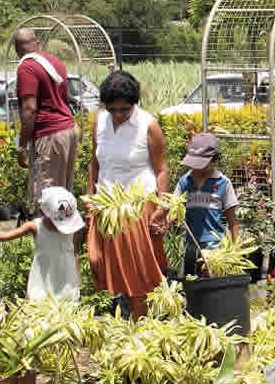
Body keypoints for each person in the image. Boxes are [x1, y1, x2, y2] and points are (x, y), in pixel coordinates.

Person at [86, 71, 169, 319]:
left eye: (125, 109)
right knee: (101, 264)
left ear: (134, 103)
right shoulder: (99, 123)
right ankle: (130, 321)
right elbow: (95, 164)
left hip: (137, 207)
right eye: (113, 110)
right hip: (107, 207)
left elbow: (162, 169)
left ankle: (142, 328)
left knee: (138, 276)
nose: (119, 115)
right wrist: (89, 200)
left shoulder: (148, 124)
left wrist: (162, 207)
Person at [13, 28, 80, 211]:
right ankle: (67, 236)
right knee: (64, 193)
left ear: (17, 50)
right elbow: (65, 98)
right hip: (68, 129)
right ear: (37, 43)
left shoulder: (27, 67)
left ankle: (49, 239)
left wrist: (22, 146)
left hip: (49, 134)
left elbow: (29, 109)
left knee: (46, 197)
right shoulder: (54, 61)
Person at [0, 186, 83, 301]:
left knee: (68, 309)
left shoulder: (72, 228)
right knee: (40, 307)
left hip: (67, 279)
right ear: (46, 213)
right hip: (43, 280)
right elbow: (8, 235)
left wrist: (77, 276)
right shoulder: (36, 227)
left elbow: (74, 251)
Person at [174, 132, 241, 278]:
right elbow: (172, 211)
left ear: (214, 160)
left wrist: (236, 250)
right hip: (190, 244)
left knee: (211, 281)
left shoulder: (223, 183)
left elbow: (232, 219)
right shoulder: (184, 182)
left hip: (214, 246)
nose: (198, 168)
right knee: (190, 283)